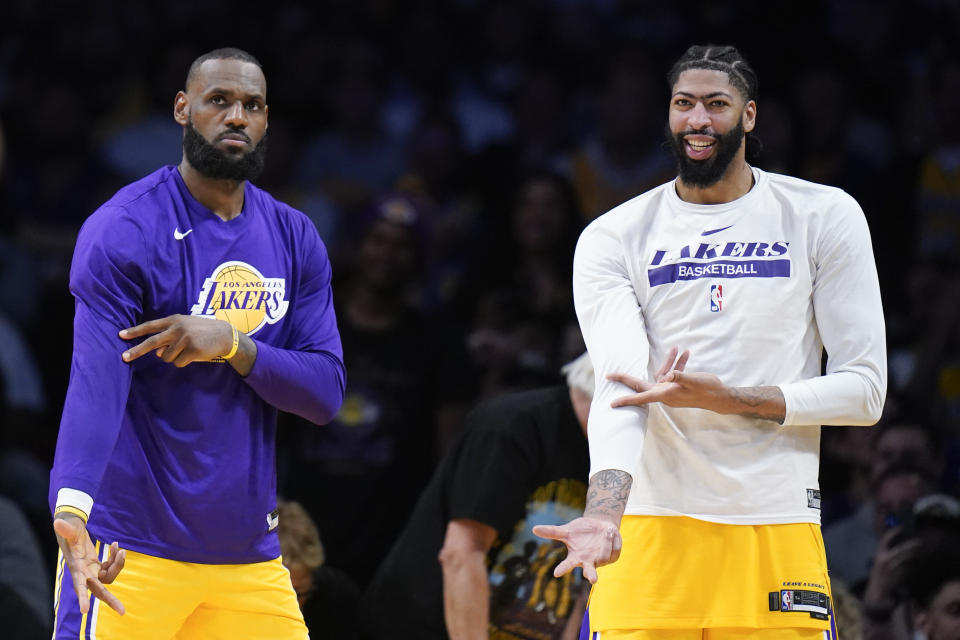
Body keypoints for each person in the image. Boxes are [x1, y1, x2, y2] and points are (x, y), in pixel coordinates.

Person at [534, 44, 886, 639]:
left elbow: (866, 393)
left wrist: (735, 398)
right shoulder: (612, 236)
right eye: (684, 104)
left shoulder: (822, 215)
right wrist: (601, 515)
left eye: (716, 104)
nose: (698, 120)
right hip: (648, 525)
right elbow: (622, 387)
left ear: (749, 116)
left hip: (775, 521)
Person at [47, 47, 345, 639]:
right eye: (219, 101)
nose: (236, 116)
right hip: (128, 551)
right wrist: (71, 509)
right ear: (183, 110)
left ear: (265, 122)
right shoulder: (124, 229)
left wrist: (235, 344)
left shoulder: (295, 234)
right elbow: (95, 386)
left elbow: (325, 393)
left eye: (252, 105)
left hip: (249, 559)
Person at [363, 352, 594, 639]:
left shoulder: (623, 457)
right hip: (428, 626)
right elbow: (462, 552)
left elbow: (585, 581)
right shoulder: (512, 426)